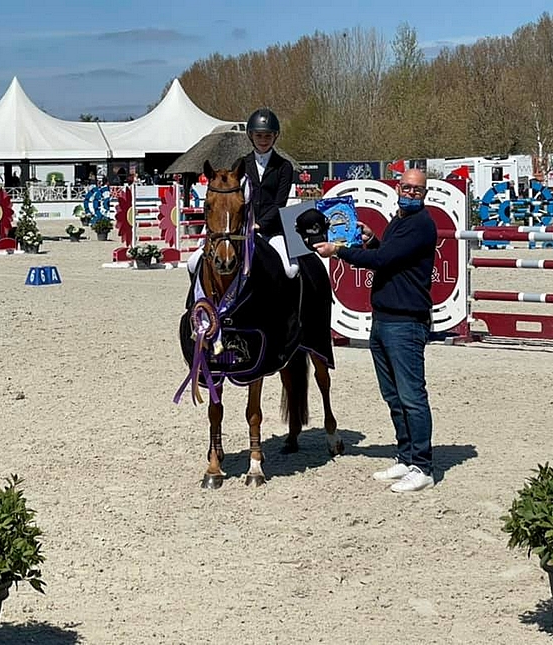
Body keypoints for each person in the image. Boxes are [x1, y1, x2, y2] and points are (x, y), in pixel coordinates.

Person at [314, 168, 437, 492]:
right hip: (383, 318)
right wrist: (372, 238)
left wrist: (339, 250)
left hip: (406, 321)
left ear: (425, 193)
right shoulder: (399, 220)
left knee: (412, 396)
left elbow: (383, 260)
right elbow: (391, 256)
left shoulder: (422, 224)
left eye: (417, 190)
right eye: (407, 188)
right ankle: (406, 456)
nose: (411, 193)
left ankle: (423, 466)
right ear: (398, 187)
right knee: (393, 396)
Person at [187, 107, 297, 277]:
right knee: (193, 263)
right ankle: (198, 302)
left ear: (275, 136)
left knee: (290, 269)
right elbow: (232, 201)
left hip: (272, 231)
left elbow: (279, 203)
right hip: (239, 232)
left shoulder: (284, 166)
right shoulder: (240, 164)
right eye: (259, 135)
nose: (263, 140)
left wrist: (260, 225)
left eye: (268, 135)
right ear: (251, 136)